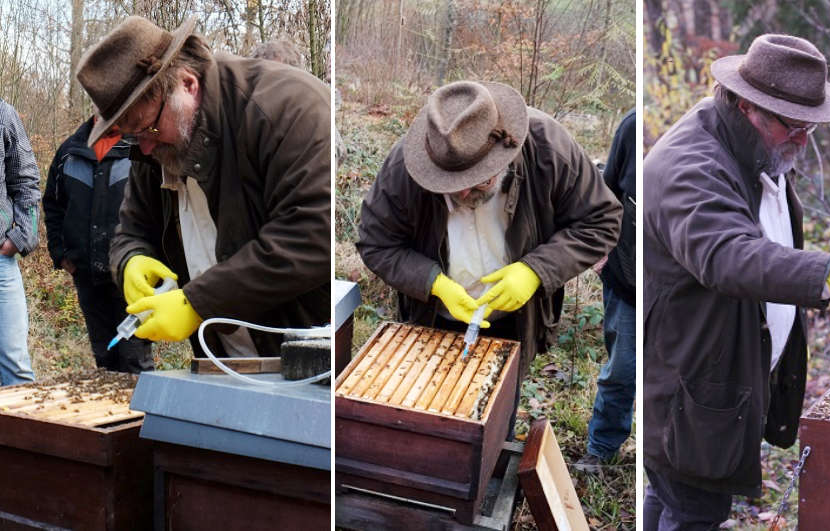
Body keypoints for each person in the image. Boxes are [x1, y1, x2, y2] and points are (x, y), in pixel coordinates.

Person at [642, 34, 830, 529]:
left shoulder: (758, 147)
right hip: (689, 384)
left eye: (810, 128)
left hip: (720, 374)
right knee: (693, 507)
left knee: (676, 498)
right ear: (746, 105)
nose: (802, 140)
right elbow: (728, 254)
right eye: (793, 126)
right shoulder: (689, 164)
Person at [74, 16, 330, 356]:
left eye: (146, 129)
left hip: (305, 355)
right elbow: (132, 229)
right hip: (222, 359)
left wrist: (197, 303)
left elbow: (312, 234)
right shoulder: (155, 142)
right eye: (130, 135)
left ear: (187, 84)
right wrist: (131, 261)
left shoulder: (290, 109)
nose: (144, 148)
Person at [357, 80, 621, 406]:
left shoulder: (549, 148)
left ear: (502, 155)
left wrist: (535, 271)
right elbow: (375, 243)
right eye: (451, 183)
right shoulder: (404, 168)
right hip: (433, 321)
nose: (464, 193)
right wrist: (433, 283)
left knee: (496, 418)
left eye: (476, 180)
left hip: (516, 321)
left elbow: (602, 220)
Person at [43, 117, 152, 373]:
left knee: (135, 361)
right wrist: (61, 254)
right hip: (87, 274)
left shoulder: (142, 148)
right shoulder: (69, 151)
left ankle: (140, 414)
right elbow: (53, 205)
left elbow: (159, 210)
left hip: (132, 276)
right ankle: (110, 413)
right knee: (104, 359)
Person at [575, 110, 636, 473]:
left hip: (674, 287)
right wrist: (601, 253)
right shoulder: (630, 126)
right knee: (622, 370)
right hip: (625, 280)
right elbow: (607, 195)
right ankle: (601, 449)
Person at [0, 98, 40, 385]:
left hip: (0, 262)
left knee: (15, 368)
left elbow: (26, 180)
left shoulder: (3, 114)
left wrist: (21, 235)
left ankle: (23, 431)